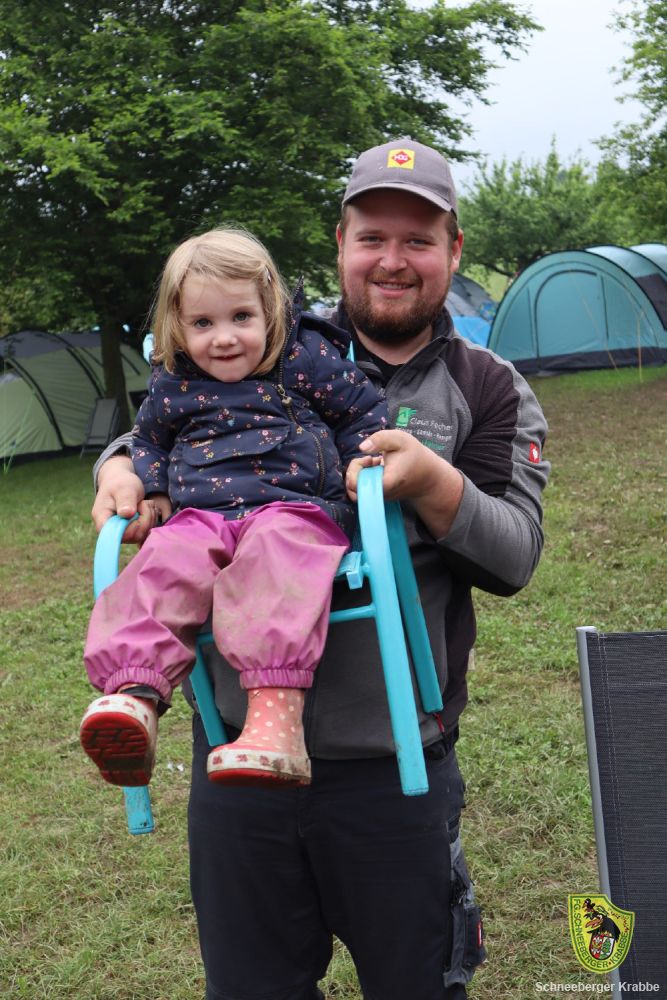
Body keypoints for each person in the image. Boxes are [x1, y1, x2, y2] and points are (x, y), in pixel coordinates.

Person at [91, 139, 550, 1000]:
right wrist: (117, 468)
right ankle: (134, 691)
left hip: (393, 764)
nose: (392, 260)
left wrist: (432, 482)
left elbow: (513, 555)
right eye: (371, 237)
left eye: (418, 240)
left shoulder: (487, 385)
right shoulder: (267, 334)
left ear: (453, 250)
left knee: (413, 983)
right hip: (235, 762)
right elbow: (165, 419)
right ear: (340, 243)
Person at [80, 227, 388, 790]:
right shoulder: (173, 381)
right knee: (161, 563)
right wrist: (153, 490)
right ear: (177, 327)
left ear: (270, 310)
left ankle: (276, 724)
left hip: (295, 512)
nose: (223, 338)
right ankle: (135, 696)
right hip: (201, 519)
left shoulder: (303, 358)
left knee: (274, 557)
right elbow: (148, 441)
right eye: (202, 323)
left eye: (241, 317)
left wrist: (362, 460)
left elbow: (360, 413)